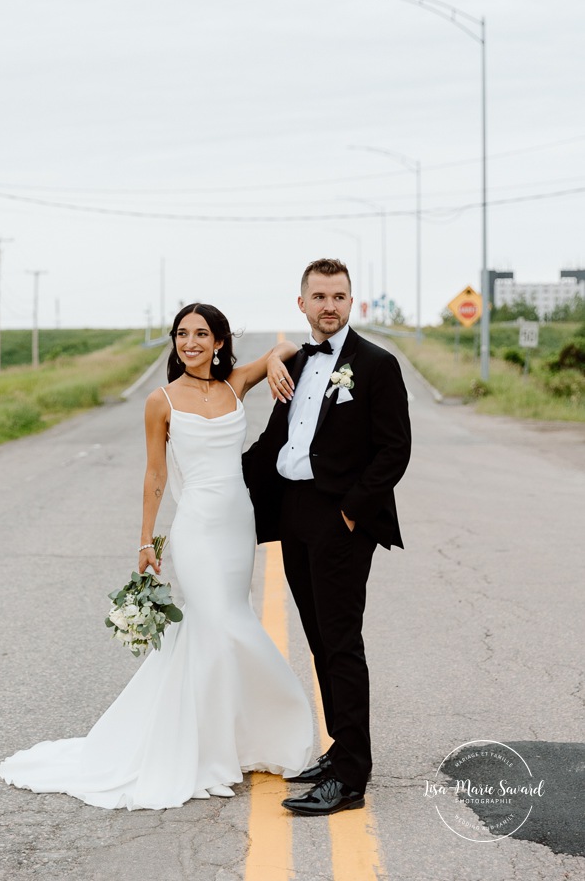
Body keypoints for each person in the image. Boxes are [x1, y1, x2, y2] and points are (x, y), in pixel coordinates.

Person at [0, 303, 313, 811]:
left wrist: (275, 359)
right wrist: (146, 541)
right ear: (175, 342)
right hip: (196, 531)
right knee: (220, 626)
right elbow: (155, 476)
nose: (190, 343)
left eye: (201, 334)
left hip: (238, 527)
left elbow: (287, 347)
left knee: (228, 622)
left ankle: (236, 741)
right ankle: (208, 750)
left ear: (219, 342)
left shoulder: (236, 384)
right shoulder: (160, 400)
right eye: (182, 334)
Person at [243, 259, 411, 817]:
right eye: (319, 296)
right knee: (318, 638)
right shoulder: (293, 361)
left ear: (351, 301)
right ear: (302, 305)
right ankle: (340, 750)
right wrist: (215, 478)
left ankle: (352, 777)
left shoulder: (376, 365)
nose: (330, 305)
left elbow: (394, 449)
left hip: (340, 519)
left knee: (341, 642)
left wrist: (351, 514)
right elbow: (276, 444)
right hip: (294, 515)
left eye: (339, 295)